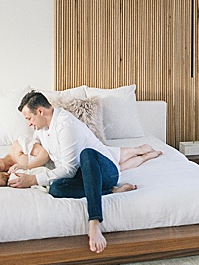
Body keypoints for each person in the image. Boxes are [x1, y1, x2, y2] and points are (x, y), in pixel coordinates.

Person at [10, 90, 154, 254]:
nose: (29, 123)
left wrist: (33, 180)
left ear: (40, 112)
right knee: (56, 188)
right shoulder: (41, 129)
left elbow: (69, 170)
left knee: (87, 154)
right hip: (83, 176)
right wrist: (22, 167)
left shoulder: (66, 125)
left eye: (29, 118)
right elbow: (37, 151)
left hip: (104, 171)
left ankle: (94, 222)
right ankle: (111, 191)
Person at [0, 141, 161, 186]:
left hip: (63, 157)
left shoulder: (17, 146)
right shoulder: (7, 175)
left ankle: (139, 149)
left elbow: (43, 154)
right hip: (60, 171)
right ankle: (145, 158)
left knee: (116, 157)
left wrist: (28, 168)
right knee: (120, 168)